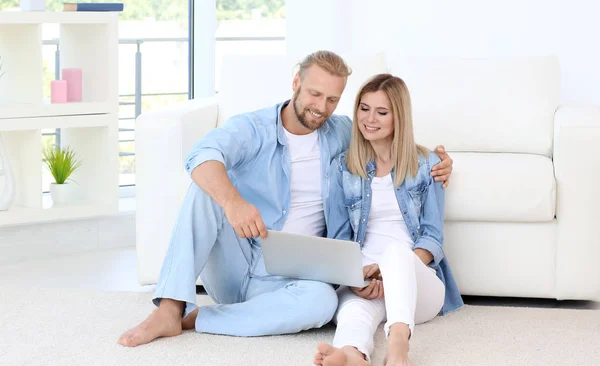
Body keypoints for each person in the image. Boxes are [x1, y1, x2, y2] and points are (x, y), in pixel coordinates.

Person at [118, 51, 454, 347]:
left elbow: (388, 135)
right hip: (237, 262)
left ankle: (199, 321)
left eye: (332, 99)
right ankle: (169, 309)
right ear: (296, 82)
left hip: (289, 280)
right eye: (314, 93)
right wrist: (234, 203)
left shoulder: (340, 132)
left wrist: (439, 161)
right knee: (205, 189)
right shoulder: (254, 128)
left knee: (323, 303)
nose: (321, 107)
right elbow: (200, 156)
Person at [313, 74, 463, 366]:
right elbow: (339, 239)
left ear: (399, 117)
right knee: (354, 312)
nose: (369, 120)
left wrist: (388, 267)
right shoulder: (342, 168)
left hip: (418, 282)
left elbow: (432, 238)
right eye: (364, 109)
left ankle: (398, 341)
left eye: (381, 112)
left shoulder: (427, 163)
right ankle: (352, 356)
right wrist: (354, 277)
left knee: (395, 252)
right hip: (363, 277)